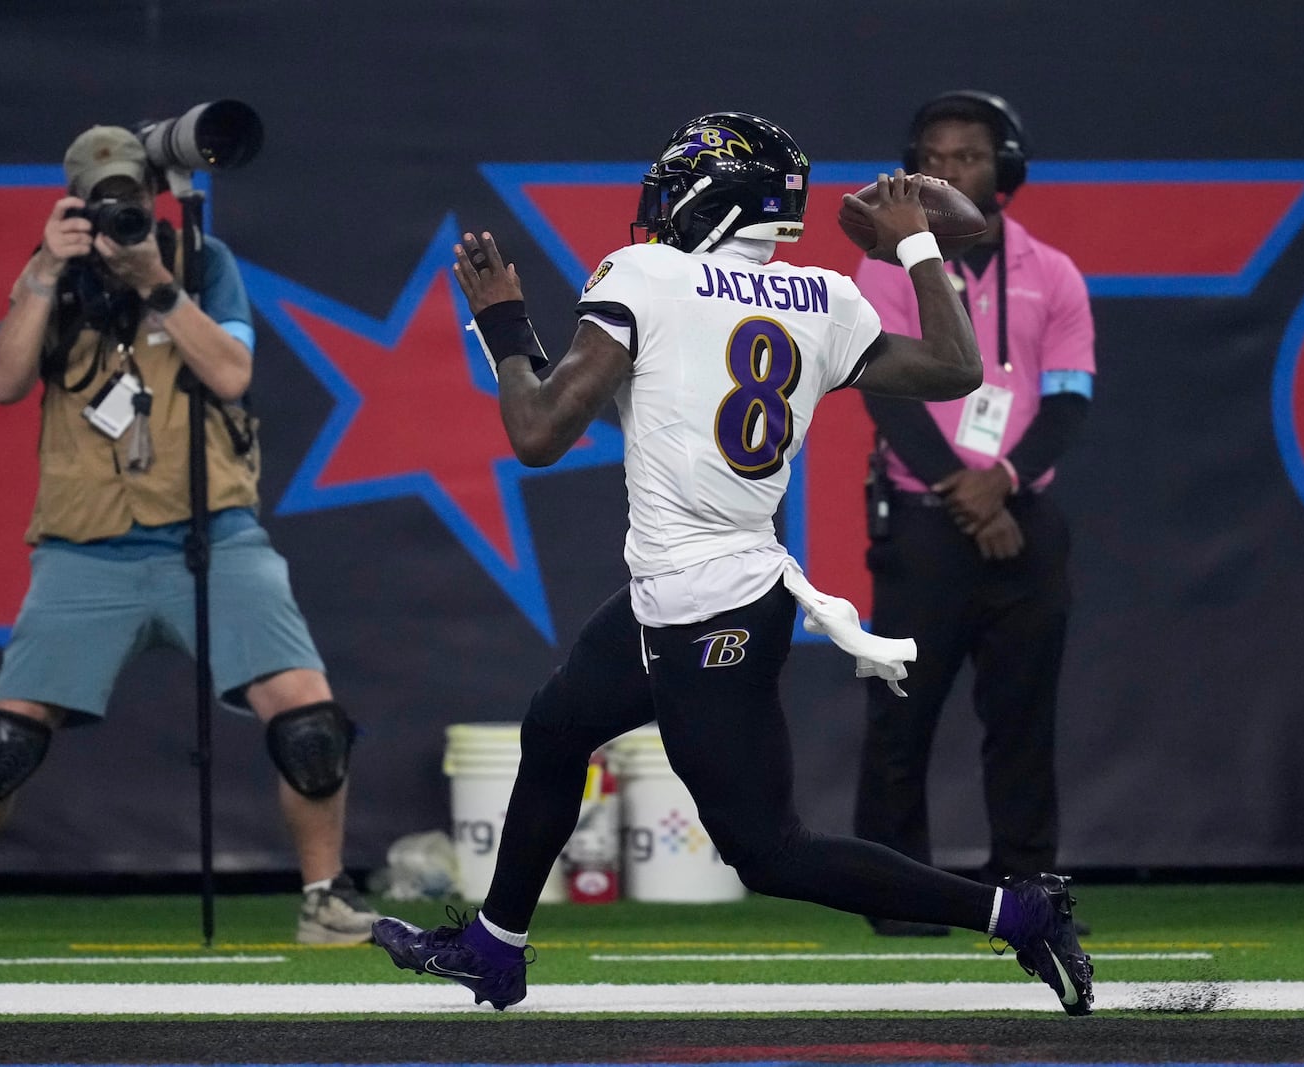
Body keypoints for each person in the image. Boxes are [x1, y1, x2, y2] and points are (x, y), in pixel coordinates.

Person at [371, 112, 1093, 1015]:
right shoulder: (824, 299)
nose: (661, 207)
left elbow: (539, 431)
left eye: (676, 189)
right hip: (691, 590)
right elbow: (956, 368)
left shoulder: (648, 274)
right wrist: (917, 251)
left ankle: (1017, 913)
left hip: (708, 610)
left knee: (769, 850)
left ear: (712, 198)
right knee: (557, 727)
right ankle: (495, 946)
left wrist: (503, 322)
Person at [0, 125, 378, 948]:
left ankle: (324, 898)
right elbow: (4, 381)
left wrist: (158, 284)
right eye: (107, 199)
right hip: (87, 546)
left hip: (215, 533)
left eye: (134, 198)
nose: (124, 214)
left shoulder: (199, 261)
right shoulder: (54, 276)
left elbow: (231, 372)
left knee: (308, 723)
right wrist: (46, 272)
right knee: (4, 739)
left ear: (154, 195)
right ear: (78, 199)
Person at [850, 91, 1095, 937]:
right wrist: (965, 489)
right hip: (922, 520)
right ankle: (896, 895)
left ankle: (1029, 889)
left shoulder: (1053, 272)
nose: (947, 170)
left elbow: (1068, 399)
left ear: (1006, 171)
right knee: (901, 712)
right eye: (933, 155)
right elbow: (884, 389)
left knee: (1024, 716)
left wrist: (1003, 484)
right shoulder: (886, 267)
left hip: (1024, 514)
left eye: (968, 157)